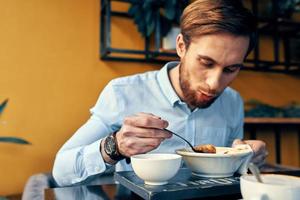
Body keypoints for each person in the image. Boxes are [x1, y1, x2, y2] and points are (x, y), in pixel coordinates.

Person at [53, 0, 267, 186]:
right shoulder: (122, 93)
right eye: (206, 63)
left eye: (231, 69)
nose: (214, 84)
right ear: (181, 46)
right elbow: (61, 172)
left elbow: (232, 167)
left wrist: (247, 157)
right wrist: (115, 146)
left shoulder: (233, 102)